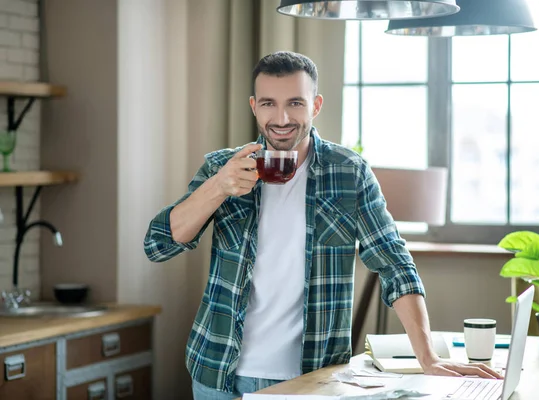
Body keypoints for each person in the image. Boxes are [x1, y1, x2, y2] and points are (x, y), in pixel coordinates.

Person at [143, 51, 502, 400]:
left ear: (315, 106)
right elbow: (159, 244)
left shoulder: (349, 172)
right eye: (269, 103)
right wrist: (219, 187)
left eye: (295, 103)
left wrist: (429, 358)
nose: (281, 117)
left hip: (312, 378)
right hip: (219, 373)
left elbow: (395, 264)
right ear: (254, 106)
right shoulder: (222, 168)